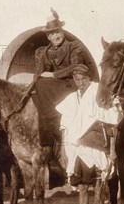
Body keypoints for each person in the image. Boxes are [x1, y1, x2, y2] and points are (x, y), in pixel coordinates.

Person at [57, 64, 121, 204]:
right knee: (83, 187)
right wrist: (63, 151)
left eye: (83, 79)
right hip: (77, 149)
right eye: (76, 80)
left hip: (97, 147)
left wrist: (112, 149)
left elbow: (111, 123)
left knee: (99, 185)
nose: (80, 83)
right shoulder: (71, 99)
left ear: (89, 78)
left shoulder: (99, 93)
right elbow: (64, 127)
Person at [31, 8, 86, 147]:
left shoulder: (73, 46)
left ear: (62, 32)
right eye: (52, 33)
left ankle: (57, 122)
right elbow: (38, 73)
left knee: (43, 84)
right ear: (48, 37)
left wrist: (54, 74)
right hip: (53, 88)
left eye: (58, 31)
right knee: (38, 86)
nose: (56, 35)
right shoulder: (43, 52)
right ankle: (47, 132)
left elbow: (76, 66)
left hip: (70, 83)